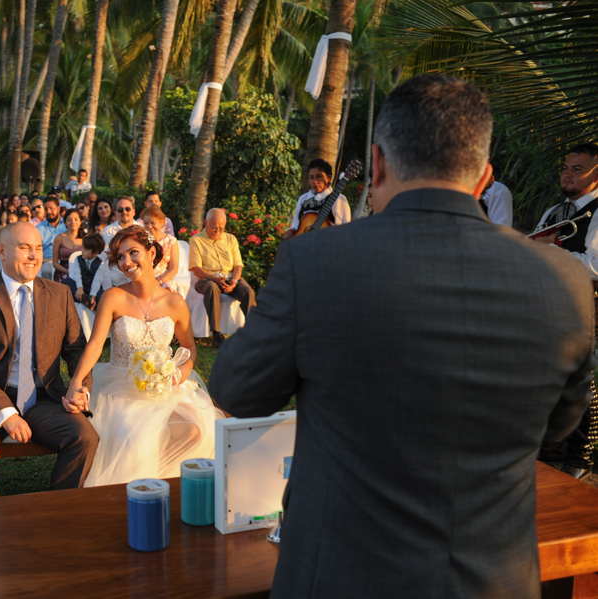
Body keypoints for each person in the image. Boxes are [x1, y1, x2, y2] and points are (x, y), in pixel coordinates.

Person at [209, 74, 596, 599]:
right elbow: (560, 424)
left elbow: (235, 389)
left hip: (339, 575)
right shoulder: (565, 279)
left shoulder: (315, 261)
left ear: (379, 163)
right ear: (483, 179)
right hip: (492, 580)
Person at [0, 222, 99, 500]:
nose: (33, 256)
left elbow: (76, 350)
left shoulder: (59, 294)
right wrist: (6, 413)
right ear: (2, 252)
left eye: (38, 248)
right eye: (24, 248)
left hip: (42, 397)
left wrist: (80, 387)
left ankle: (58, 512)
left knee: (85, 438)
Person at [66, 226, 221, 487]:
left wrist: (180, 373)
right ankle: (136, 489)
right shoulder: (114, 297)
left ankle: (162, 487)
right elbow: (94, 345)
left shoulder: (174, 303)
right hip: (121, 386)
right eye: (120, 257)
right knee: (139, 436)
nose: (127, 262)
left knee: (195, 431)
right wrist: (76, 381)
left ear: (151, 253)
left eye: (133, 253)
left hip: (165, 387)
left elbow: (190, 349)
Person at [532, 141, 598, 479]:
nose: (567, 174)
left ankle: (581, 461)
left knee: (581, 380)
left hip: (586, 307)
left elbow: (594, 266)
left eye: (577, 168)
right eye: (566, 167)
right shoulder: (554, 212)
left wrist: (550, 250)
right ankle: (548, 455)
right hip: (549, 306)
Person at [188, 209, 256, 348]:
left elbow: (238, 265)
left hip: (230, 277)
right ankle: (216, 334)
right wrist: (215, 279)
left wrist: (235, 281)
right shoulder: (197, 240)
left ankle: (253, 331)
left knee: (247, 291)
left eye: (221, 229)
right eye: (214, 228)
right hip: (207, 279)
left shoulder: (231, 239)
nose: (217, 232)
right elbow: (196, 268)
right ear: (205, 223)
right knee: (212, 289)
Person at [285, 158, 351, 238]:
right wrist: (291, 232)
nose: (315, 181)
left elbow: (344, 230)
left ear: (329, 177)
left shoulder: (338, 200)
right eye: (311, 177)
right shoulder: (303, 199)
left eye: (319, 176)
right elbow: (296, 225)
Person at [141, 205, 182, 297]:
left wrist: (159, 281)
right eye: (146, 223)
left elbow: (174, 269)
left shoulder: (171, 241)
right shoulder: (141, 241)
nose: (149, 226)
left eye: (152, 223)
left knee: (169, 289)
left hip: (164, 280)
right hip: (144, 278)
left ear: (161, 223)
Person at [100, 196, 141, 289]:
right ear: (116, 213)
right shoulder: (108, 230)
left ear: (133, 212)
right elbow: (107, 254)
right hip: (116, 268)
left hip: (137, 265)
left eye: (127, 209)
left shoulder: (141, 229)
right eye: (120, 209)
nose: (124, 212)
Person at [64, 233, 108, 310]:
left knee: (102, 295)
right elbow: (77, 275)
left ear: (95, 252)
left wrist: (93, 295)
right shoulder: (78, 259)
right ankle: (83, 298)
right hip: (81, 287)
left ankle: (91, 302)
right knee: (67, 282)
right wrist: (80, 288)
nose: (82, 251)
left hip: (93, 288)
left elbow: (97, 281)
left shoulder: (100, 263)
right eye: (82, 248)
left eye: (86, 249)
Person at [36, 196, 67, 279]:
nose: (49, 212)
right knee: (46, 270)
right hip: (48, 260)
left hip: (66, 259)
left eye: (51, 208)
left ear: (58, 209)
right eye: (46, 209)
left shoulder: (67, 225)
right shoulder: (39, 229)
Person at [52, 210, 84, 284]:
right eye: (69, 220)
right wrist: (66, 271)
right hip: (63, 271)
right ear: (65, 223)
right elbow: (55, 263)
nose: (73, 222)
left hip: (81, 270)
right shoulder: (59, 238)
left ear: (80, 221)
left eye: (76, 219)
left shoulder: (85, 238)